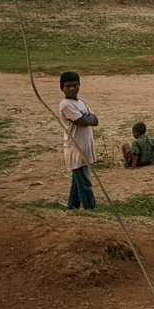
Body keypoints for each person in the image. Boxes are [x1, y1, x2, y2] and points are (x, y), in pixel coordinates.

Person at [57, 71, 98, 210]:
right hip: (75, 148)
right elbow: (83, 121)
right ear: (62, 87)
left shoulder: (81, 102)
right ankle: (91, 209)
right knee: (84, 182)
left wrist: (88, 119)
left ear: (79, 85)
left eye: (75, 85)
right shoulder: (65, 105)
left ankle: (72, 207)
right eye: (68, 86)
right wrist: (88, 119)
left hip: (85, 146)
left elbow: (95, 120)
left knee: (78, 181)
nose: (72, 89)